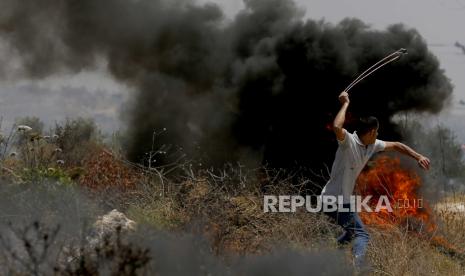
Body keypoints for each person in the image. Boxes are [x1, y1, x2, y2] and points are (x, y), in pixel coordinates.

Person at [321, 91, 430, 269]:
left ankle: (327, 258)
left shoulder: (372, 145)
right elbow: (336, 127)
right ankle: (359, 268)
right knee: (362, 235)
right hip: (334, 199)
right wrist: (345, 103)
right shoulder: (348, 141)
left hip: (342, 201)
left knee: (350, 233)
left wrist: (418, 156)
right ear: (371, 131)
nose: (378, 134)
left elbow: (395, 145)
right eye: (377, 131)